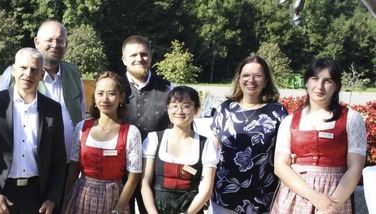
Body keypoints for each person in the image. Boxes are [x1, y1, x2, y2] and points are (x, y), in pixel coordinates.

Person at [0, 48, 67, 214]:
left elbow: (58, 159)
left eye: (34, 69)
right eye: (23, 68)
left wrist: (52, 198)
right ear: (13, 70)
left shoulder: (53, 109)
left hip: (38, 196)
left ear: (42, 75)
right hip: (1, 193)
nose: (28, 74)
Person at [270, 57, 366, 213]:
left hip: (335, 196)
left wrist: (329, 207)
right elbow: (280, 166)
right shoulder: (289, 121)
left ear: (336, 86)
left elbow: (355, 167)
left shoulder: (352, 119)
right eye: (315, 79)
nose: (319, 86)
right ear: (307, 82)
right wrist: (314, 197)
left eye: (327, 81)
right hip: (296, 196)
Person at [0, 20, 86, 163]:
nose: (55, 45)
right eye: (49, 40)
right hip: (26, 167)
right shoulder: (13, 75)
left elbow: (80, 116)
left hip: (67, 166)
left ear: (66, 45)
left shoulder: (74, 74)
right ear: (37, 42)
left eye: (60, 41)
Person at [210, 55, 287, 213]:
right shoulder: (224, 109)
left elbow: (285, 151)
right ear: (239, 79)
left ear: (266, 81)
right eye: (246, 75)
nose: (251, 80)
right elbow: (211, 151)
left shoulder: (277, 112)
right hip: (224, 196)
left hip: (261, 199)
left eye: (257, 76)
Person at [62, 71, 142, 214]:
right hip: (81, 196)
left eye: (111, 93)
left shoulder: (131, 132)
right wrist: (65, 202)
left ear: (121, 97)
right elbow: (74, 170)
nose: (105, 99)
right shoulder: (82, 128)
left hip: (114, 198)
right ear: (94, 97)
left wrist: (117, 210)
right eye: (100, 93)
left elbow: (133, 178)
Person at [141, 86, 218, 214]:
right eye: (174, 106)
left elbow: (206, 190)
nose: (179, 111)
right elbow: (145, 183)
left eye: (186, 106)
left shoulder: (206, 145)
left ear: (197, 110)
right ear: (168, 109)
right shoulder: (154, 139)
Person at [119, 35, 172, 213]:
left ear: (150, 55)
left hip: (155, 173)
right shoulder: (114, 87)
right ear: (124, 59)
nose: (139, 59)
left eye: (143, 54)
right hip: (119, 170)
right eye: (133, 55)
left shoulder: (168, 89)